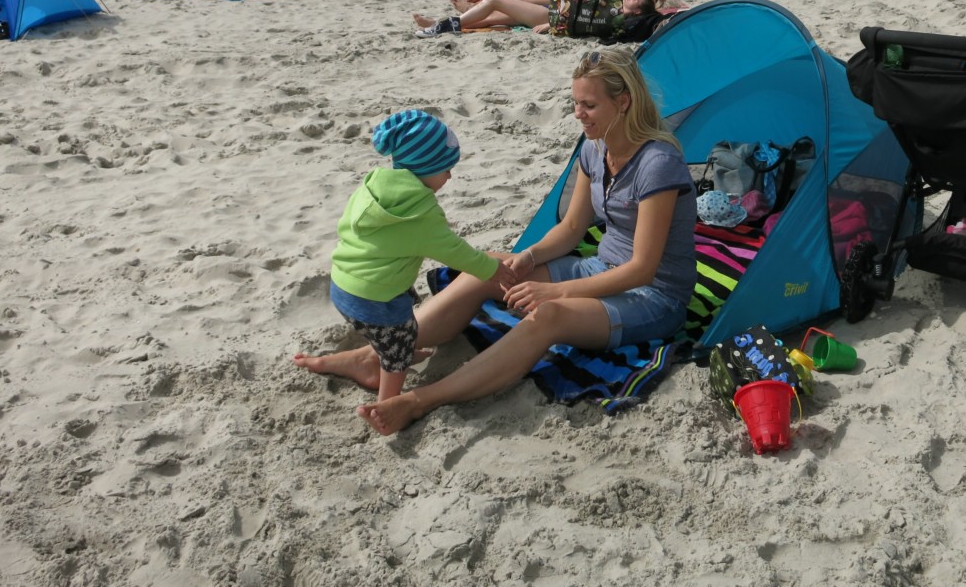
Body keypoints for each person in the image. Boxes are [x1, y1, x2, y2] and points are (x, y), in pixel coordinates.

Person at [295, 48, 697, 437]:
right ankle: (375, 356)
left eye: (589, 105)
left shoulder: (657, 164)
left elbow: (642, 268)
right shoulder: (595, 150)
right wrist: (529, 257)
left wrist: (555, 291)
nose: (578, 114)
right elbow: (574, 226)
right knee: (492, 268)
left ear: (623, 102)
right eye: (576, 103)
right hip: (599, 268)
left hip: (654, 297)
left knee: (549, 315)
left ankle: (419, 400)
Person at [314, 109, 503, 411]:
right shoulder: (420, 212)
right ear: (425, 167)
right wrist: (492, 269)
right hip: (374, 298)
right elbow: (454, 251)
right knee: (397, 351)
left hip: (343, 283)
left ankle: (386, 352)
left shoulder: (373, 186)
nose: (450, 176)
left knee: (401, 321)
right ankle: (386, 402)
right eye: (446, 169)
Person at [413, 0, 655, 38]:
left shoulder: (615, 20)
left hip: (552, 17)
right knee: (501, 15)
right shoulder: (614, 7)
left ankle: (446, 25)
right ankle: (444, 24)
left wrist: (553, 26)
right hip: (555, 10)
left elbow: (587, 27)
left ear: (637, 11)